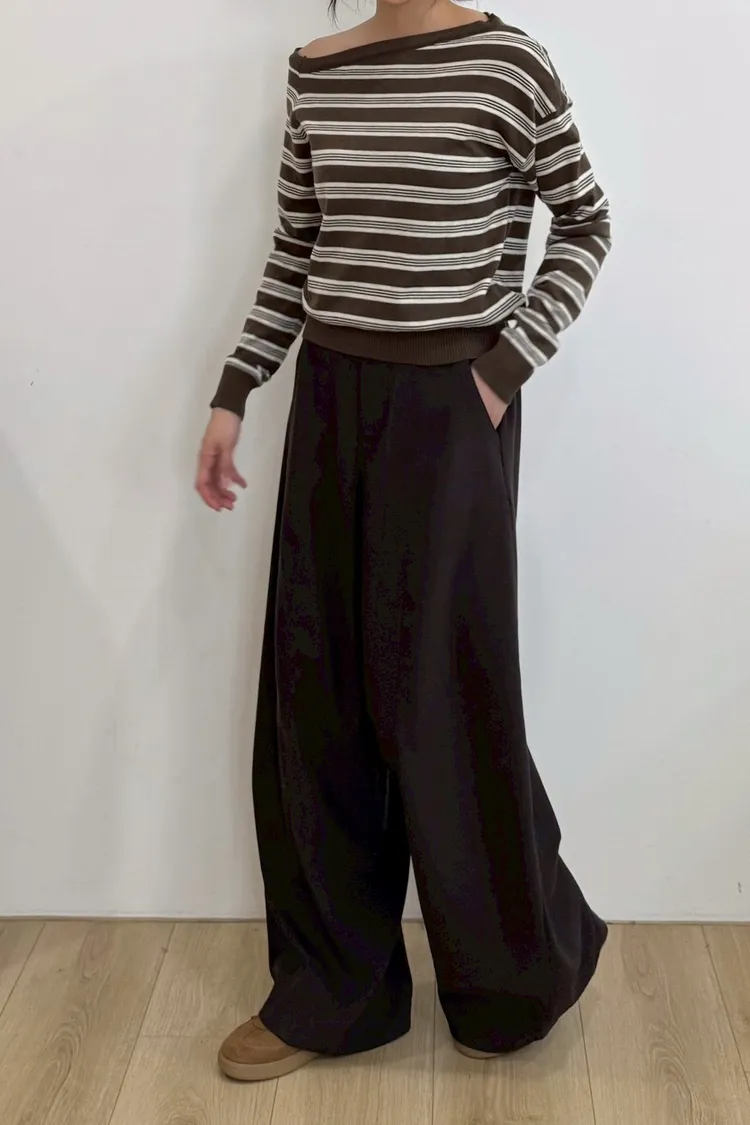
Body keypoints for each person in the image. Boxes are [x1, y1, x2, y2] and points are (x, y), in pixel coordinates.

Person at [196, 0, 611, 1083]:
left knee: (445, 697)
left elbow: (586, 221)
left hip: (452, 406)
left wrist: (501, 368)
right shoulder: (317, 69)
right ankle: (332, 991)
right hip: (331, 399)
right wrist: (237, 387)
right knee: (317, 692)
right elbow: (298, 246)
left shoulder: (508, 62)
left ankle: (513, 977)